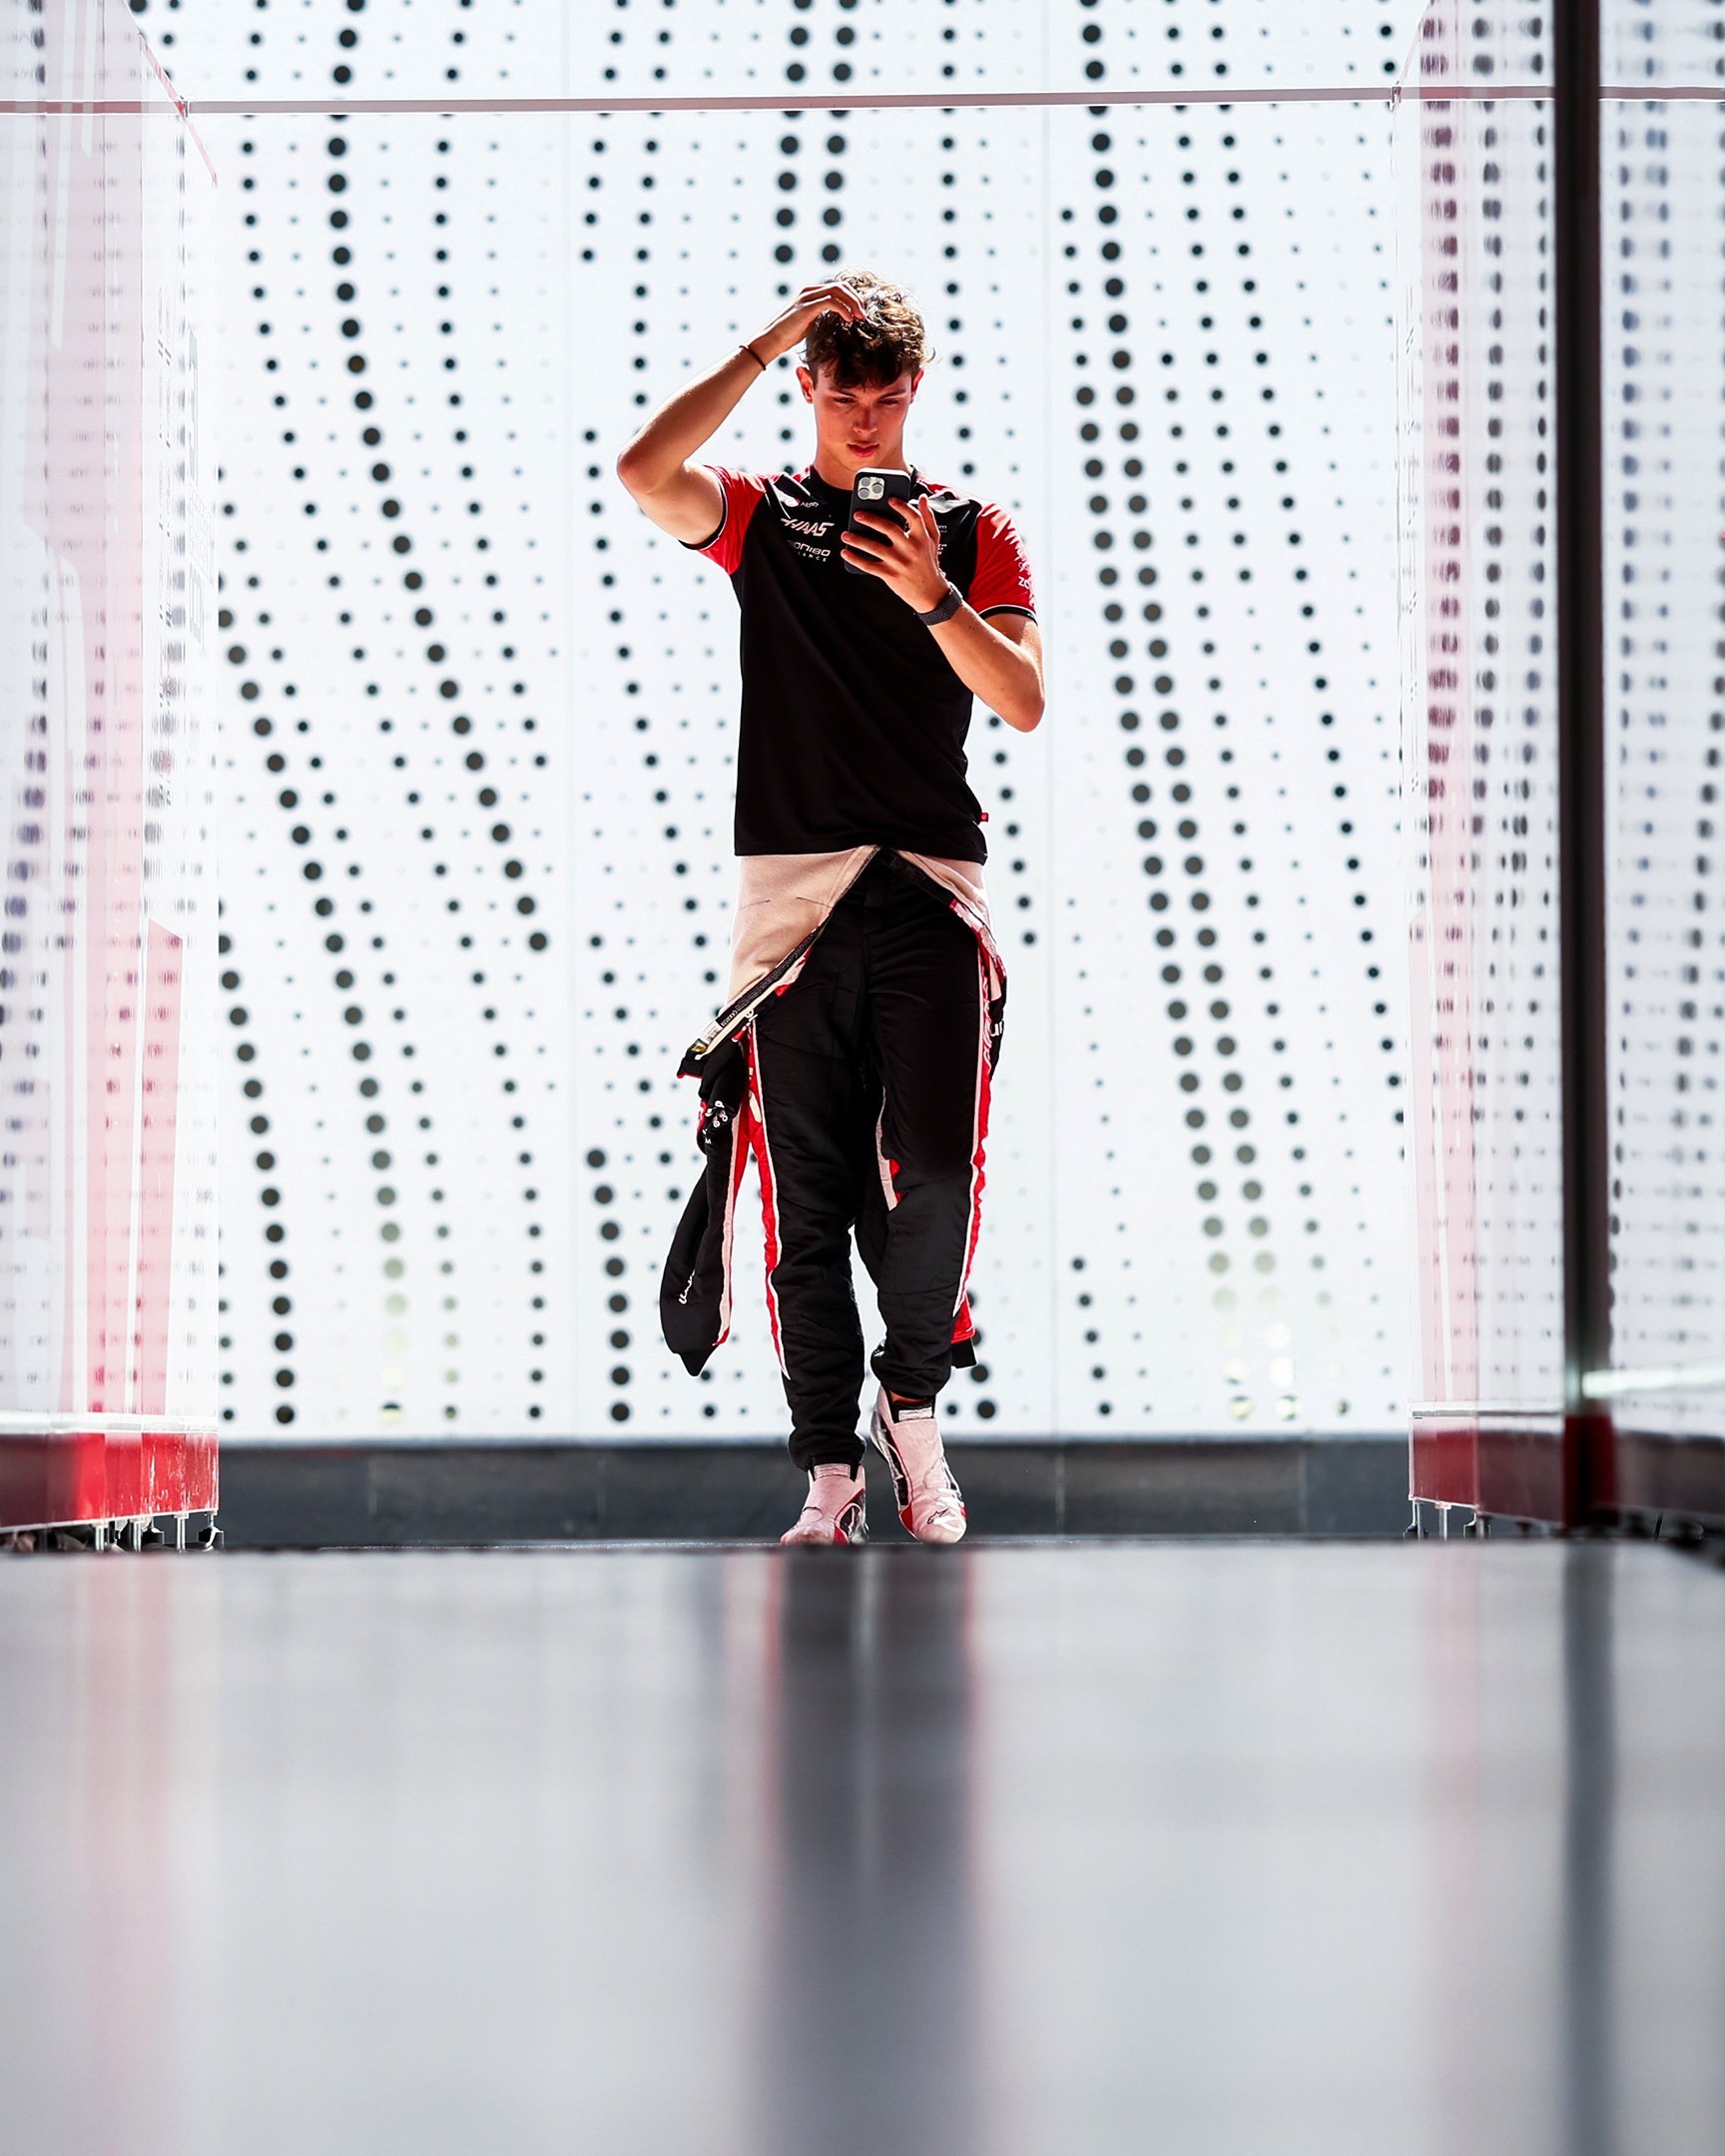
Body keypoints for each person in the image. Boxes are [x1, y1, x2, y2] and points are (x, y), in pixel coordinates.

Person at [615, 270, 1043, 1547]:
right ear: (809, 388)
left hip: (929, 892)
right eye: (842, 393)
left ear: (916, 391)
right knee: (804, 1206)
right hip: (791, 910)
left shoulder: (969, 529)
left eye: (886, 396)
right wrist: (763, 341)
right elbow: (643, 471)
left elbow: (1022, 700)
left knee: (936, 1176)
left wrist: (932, 594)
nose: (864, 418)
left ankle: (911, 1407)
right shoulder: (763, 513)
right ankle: (827, 1474)